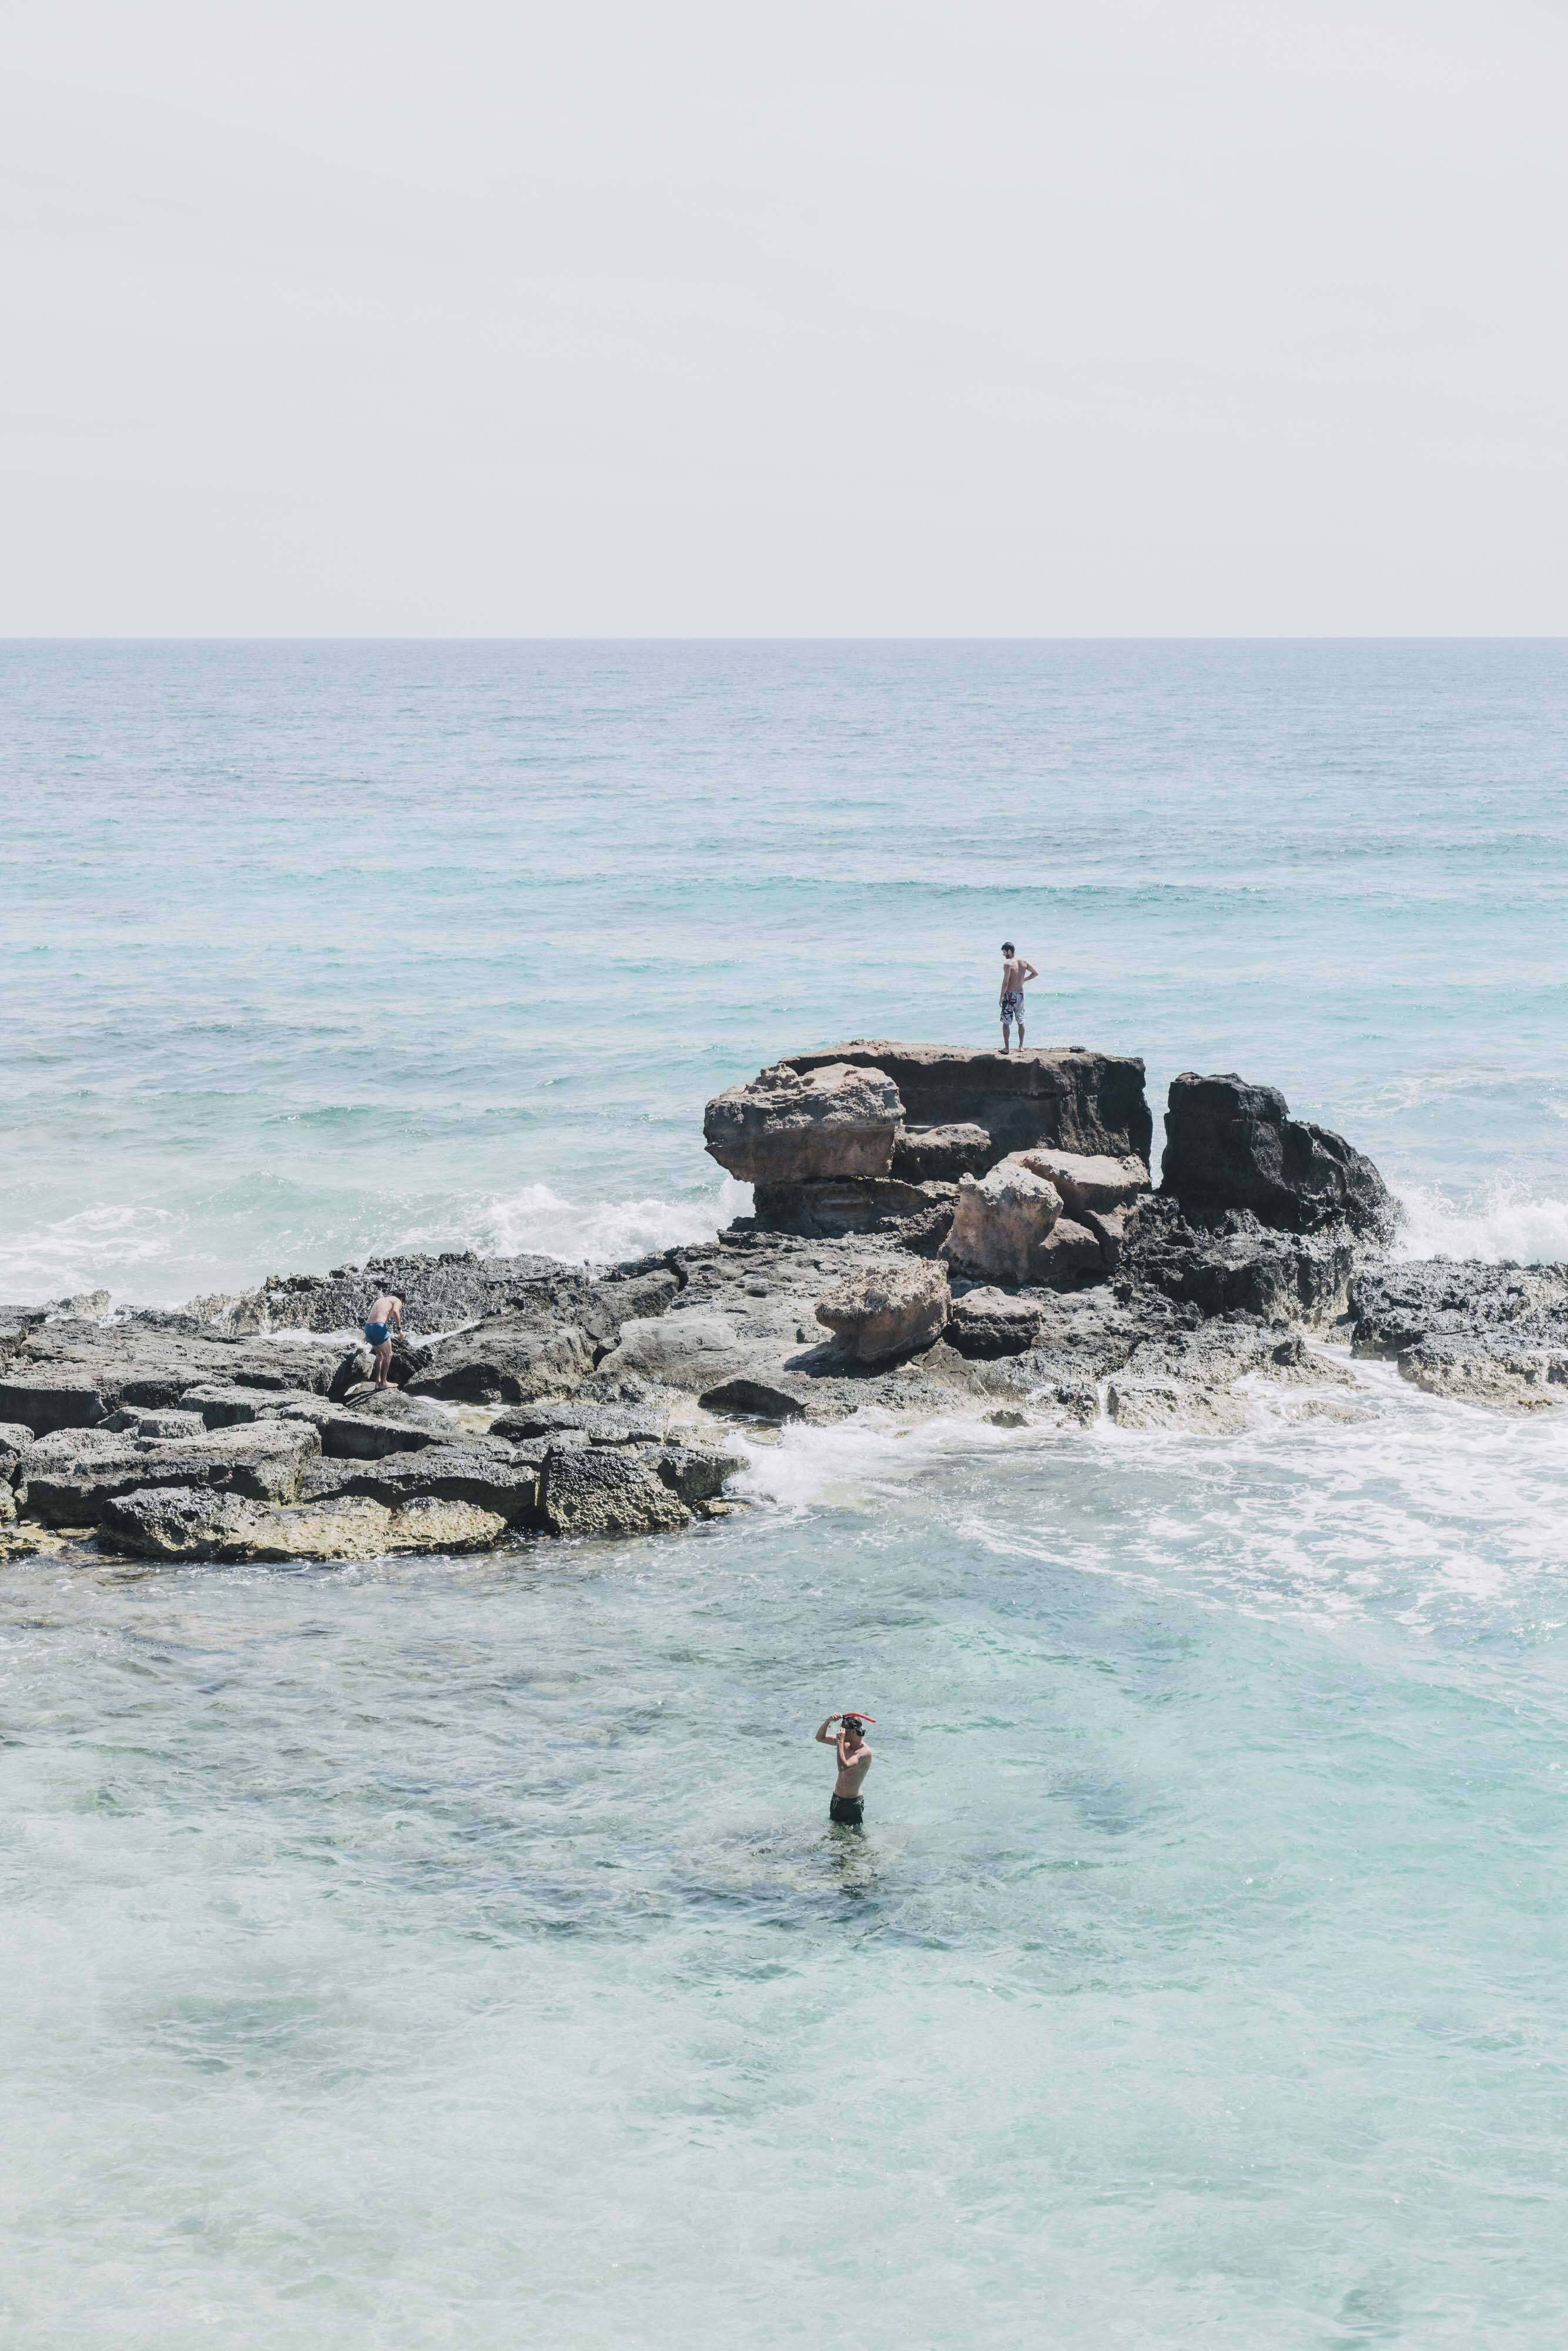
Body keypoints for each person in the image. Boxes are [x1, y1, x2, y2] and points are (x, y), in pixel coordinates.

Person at [815, 1711, 874, 1827]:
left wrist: (840, 1742)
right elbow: (820, 1738)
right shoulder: (845, 1744)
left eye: (843, 1731)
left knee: (855, 1840)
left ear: (853, 1732)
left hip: (853, 1803)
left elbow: (843, 1767)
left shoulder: (864, 1752)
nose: (840, 1733)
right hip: (837, 1799)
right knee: (834, 1833)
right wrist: (828, 1721)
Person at [999, 940, 1038, 1052]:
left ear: (1009, 952)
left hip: (1010, 996)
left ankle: (1007, 1048)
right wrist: (1024, 980)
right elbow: (1035, 973)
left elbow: (1005, 983)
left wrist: (1001, 997)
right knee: (1021, 1021)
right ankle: (1021, 1047)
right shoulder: (1024, 962)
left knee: (1006, 1023)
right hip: (1020, 995)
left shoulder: (1008, 965)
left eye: (1004, 952)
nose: (1003, 955)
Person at [363, 1292, 404, 1388]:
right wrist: (399, 1330)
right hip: (378, 1328)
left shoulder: (381, 1300)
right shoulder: (397, 1300)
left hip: (368, 1327)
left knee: (380, 1355)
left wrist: (368, 1334)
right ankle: (384, 1383)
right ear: (402, 1298)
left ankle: (377, 1382)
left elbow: (374, 1316)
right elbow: (395, 1312)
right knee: (389, 1355)